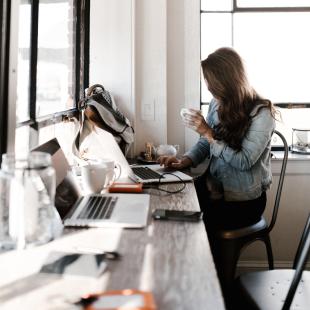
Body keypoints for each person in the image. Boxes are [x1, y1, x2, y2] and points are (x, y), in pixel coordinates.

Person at [158, 46, 277, 249]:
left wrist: (206, 131)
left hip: (243, 202)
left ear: (227, 81)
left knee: (189, 226)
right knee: (166, 207)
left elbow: (244, 161)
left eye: (211, 83)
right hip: (213, 189)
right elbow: (207, 142)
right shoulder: (217, 104)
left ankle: (209, 277)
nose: (209, 88)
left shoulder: (262, 113)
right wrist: (185, 160)